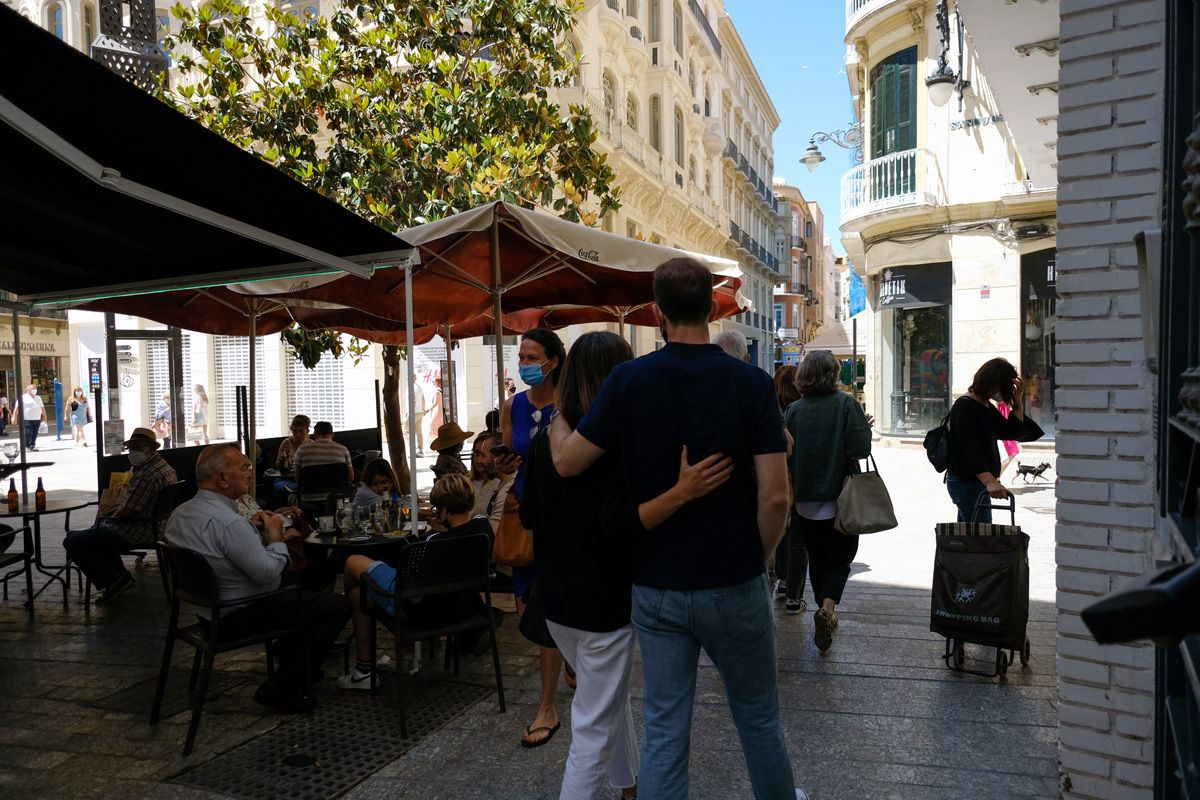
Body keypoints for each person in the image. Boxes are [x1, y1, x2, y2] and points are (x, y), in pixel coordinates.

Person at [551, 258, 805, 800]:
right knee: (759, 721)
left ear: (658, 313)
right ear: (713, 308)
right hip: (733, 579)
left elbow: (569, 462)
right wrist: (756, 558)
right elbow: (776, 494)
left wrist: (555, 413)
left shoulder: (627, 380)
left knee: (665, 730)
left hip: (657, 584)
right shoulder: (752, 384)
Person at [522, 331, 734, 800]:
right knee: (592, 731)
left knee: (605, 705)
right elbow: (621, 526)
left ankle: (630, 786)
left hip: (557, 602)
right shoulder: (615, 445)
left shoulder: (549, 439)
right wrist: (683, 492)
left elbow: (530, 517)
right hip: (603, 605)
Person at [164, 444, 351, 712]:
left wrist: (252, 532)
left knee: (309, 578)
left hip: (207, 611)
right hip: (239, 615)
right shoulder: (229, 523)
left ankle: (297, 660)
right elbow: (266, 573)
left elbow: (223, 550)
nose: (250, 472)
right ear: (223, 478)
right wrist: (275, 537)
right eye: (244, 467)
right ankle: (281, 686)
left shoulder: (181, 514)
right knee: (337, 606)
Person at [338, 473, 493, 689]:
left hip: (420, 611)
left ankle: (341, 616)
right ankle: (364, 669)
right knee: (358, 594)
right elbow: (470, 524)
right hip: (459, 607)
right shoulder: (482, 530)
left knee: (353, 562)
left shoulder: (432, 543)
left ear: (444, 511)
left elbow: (413, 592)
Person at [500, 327, 569, 748]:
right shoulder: (513, 406)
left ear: (553, 361)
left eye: (531, 356)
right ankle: (568, 658)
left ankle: (547, 705)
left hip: (562, 518)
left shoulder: (574, 404)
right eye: (521, 356)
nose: (524, 363)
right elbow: (511, 462)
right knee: (528, 605)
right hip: (526, 514)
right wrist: (502, 463)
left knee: (548, 608)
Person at [784, 350, 873, 650]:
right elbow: (860, 449)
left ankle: (823, 607)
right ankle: (828, 608)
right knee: (841, 558)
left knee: (817, 558)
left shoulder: (793, 411)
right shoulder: (846, 404)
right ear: (832, 374)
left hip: (804, 501)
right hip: (841, 498)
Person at [63, 427, 177, 604]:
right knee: (94, 534)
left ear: (151, 448)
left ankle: (114, 580)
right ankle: (119, 577)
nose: (132, 452)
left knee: (73, 540)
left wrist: (109, 515)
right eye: (131, 448)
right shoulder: (165, 467)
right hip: (156, 527)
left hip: (138, 529)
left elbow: (128, 511)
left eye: (137, 447)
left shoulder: (147, 474)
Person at [946, 358, 1044, 523]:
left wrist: (1017, 402)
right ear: (993, 383)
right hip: (967, 482)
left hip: (976, 482)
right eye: (1004, 387)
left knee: (970, 536)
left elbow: (1010, 431)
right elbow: (968, 448)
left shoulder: (985, 405)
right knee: (979, 536)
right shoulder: (965, 406)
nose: (1004, 392)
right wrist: (990, 482)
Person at [772, 364, 804, 606]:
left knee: (784, 533)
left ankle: (782, 580)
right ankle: (792, 591)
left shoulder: (774, 408)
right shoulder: (798, 409)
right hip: (799, 478)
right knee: (797, 537)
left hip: (779, 477)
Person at [469, 432, 515, 533]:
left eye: (483, 455)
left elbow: (494, 532)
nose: (479, 461)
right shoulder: (502, 485)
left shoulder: (509, 489)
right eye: (477, 455)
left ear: (497, 457)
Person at [274, 414, 311, 495]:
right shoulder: (287, 443)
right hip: (286, 479)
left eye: (301, 431)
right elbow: (278, 465)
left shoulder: (312, 445)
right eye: (295, 431)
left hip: (306, 479)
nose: (297, 434)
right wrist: (283, 460)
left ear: (307, 431)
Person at [408, 373, 434, 457]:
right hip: (419, 412)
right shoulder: (419, 387)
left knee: (407, 431)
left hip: (413, 412)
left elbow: (413, 400)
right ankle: (420, 449)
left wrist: (410, 412)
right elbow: (423, 399)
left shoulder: (411, 387)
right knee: (418, 431)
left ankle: (413, 450)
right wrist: (423, 410)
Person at [16, 385, 45, 451]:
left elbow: (42, 408)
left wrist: (45, 417)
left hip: (37, 418)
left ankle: (32, 445)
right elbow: (17, 408)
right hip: (27, 418)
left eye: (35, 388)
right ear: (28, 390)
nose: (35, 390)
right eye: (33, 388)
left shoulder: (38, 398)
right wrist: (14, 416)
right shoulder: (23, 397)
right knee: (28, 432)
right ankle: (26, 445)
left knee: (35, 433)